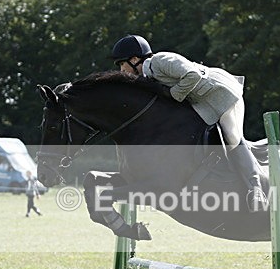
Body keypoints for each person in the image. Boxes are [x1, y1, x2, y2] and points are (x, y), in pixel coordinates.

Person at [110, 34, 268, 212]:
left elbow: (193, 75)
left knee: (231, 135)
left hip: (222, 95)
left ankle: (255, 188)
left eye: (122, 64)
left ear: (134, 60)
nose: (121, 70)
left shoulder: (160, 61)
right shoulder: (147, 77)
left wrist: (173, 94)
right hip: (202, 104)